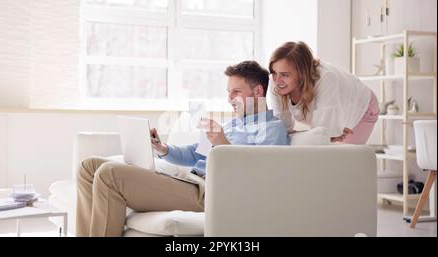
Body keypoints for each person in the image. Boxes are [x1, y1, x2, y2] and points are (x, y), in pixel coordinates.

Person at [76, 61, 289, 236]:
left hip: (210, 193)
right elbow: (194, 154)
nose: (229, 99)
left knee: (108, 174)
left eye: (236, 92)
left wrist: (223, 143)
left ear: (258, 91)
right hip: (189, 180)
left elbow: (261, 179)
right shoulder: (234, 124)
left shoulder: (272, 129)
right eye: (228, 92)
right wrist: (162, 148)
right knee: (89, 166)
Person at [267, 41, 380, 144]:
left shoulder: (325, 78)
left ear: (302, 73)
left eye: (285, 75)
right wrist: (328, 133)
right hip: (335, 113)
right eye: (274, 73)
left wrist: (329, 133)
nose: (277, 80)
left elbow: (320, 138)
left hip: (362, 107)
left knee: (345, 162)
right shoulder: (275, 83)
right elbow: (283, 131)